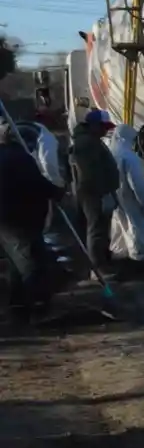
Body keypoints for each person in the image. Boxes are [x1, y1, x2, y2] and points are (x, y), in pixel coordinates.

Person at [0, 122, 65, 325]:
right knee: (32, 262)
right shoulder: (19, 158)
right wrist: (55, 192)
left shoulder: (7, 156)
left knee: (16, 262)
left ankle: (17, 308)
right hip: (18, 219)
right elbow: (36, 183)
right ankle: (39, 308)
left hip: (10, 220)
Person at [69, 109, 120, 275]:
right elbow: (89, 172)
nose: (105, 131)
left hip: (93, 192)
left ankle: (101, 263)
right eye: (103, 127)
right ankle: (99, 268)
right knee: (96, 229)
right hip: (93, 193)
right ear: (93, 126)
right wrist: (103, 192)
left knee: (98, 229)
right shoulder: (87, 144)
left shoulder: (89, 141)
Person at [107, 124, 144, 266]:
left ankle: (120, 258)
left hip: (115, 197)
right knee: (137, 226)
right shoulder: (130, 158)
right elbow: (138, 185)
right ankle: (141, 259)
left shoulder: (110, 154)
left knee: (119, 226)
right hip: (130, 198)